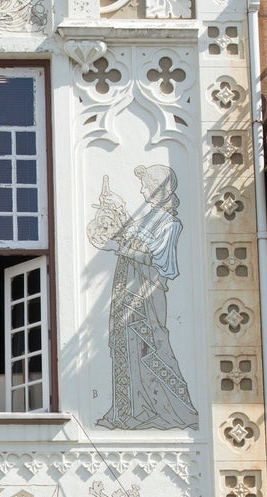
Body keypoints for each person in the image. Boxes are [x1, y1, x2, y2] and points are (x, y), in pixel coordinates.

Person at [88, 164, 198, 431]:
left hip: (147, 297)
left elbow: (154, 260)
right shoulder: (149, 218)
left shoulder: (171, 224)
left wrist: (119, 249)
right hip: (127, 291)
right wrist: (117, 207)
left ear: (160, 191)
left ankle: (169, 409)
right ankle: (128, 412)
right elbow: (131, 234)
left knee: (152, 347)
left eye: (146, 186)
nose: (142, 190)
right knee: (127, 348)